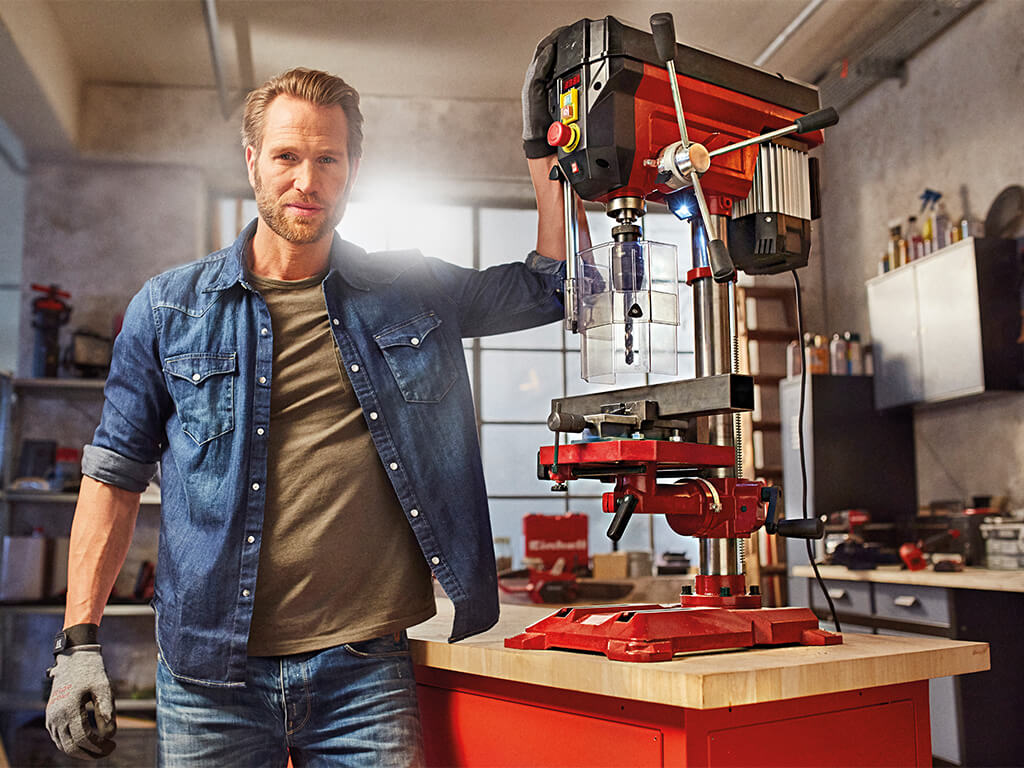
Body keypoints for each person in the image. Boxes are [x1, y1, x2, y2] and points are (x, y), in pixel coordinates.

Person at [45, 30, 581, 767]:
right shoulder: (168, 309)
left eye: (328, 159)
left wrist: (543, 159)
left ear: (351, 170)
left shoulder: (408, 289)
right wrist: (79, 643)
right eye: (287, 157)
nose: (307, 179)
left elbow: (546, 284)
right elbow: (111, 478)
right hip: (209, 677)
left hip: (364, 671)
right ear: (253, 163)